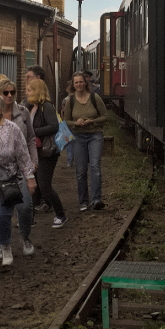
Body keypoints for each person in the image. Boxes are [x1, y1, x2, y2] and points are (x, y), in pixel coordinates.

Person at [0, 93, 36, 270]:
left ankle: (5, 246)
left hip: (8, 182)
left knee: (0, 216)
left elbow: (23, 155)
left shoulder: (11, 129)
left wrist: (30, 178)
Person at [0, 75, 37, 254]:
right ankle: (2, 245)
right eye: (5, 93)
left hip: (21, 168)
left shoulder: (23, 112)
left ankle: (25, 237)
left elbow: (31, 139)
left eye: (12, 92)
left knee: (24, 206)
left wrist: (33, 162)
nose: (9, 96)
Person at [63, 71, 107, 211]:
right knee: (81, 170)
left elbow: (105, 116)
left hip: (95, 135)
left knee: (95, 166)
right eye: (76, 82)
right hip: (78, 136)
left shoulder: (95, 98)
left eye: (81, 82)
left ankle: (96, 199)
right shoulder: (70, 101)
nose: (79, 84)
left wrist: (92, 121)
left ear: (85, 83)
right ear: (73, 84)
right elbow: (66, 121)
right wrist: (76, 123)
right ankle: (83, 201)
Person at [28, 78, 67, 227]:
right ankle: (29, 219)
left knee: (45, 186)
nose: (26, 92)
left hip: (47, 152)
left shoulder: (47, 107)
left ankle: (61, 214)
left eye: (29, 90)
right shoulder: (31, 106)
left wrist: (33, 132)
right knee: (32, 185)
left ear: (37, 91)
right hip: (35, 151)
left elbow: (53, 126)